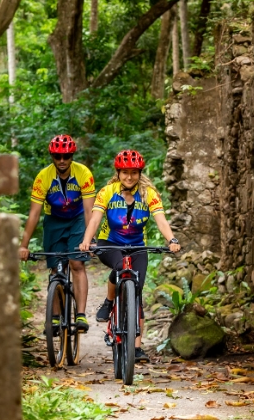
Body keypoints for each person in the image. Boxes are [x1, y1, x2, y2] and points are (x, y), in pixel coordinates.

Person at [79, 149, 181, 362]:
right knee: (119, 267)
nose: (129, 177)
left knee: (136, 292)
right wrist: (87, 240)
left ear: (139, 173)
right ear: (118, 173)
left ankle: (136, 347)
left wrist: (172, 240)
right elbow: (95, 219)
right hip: (110, 243)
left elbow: (161, 220)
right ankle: (109, 301)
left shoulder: (149, 194)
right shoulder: (108, 191)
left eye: (134, 173)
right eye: (125, 172)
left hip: (137, 246)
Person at [19, 135, 95, 332]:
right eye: (58, 156)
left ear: (72, 156)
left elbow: (89, 211)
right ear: (52, 156)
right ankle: (54, 318)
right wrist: (23, 245)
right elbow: (34, 214)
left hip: (78, 219)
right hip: (54, 220)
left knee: (76, 263)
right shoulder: (43, 177)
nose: (62, 161)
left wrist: (89, 239)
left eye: (66, 156)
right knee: (56, 267)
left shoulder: (83, 173)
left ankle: (80, 315)